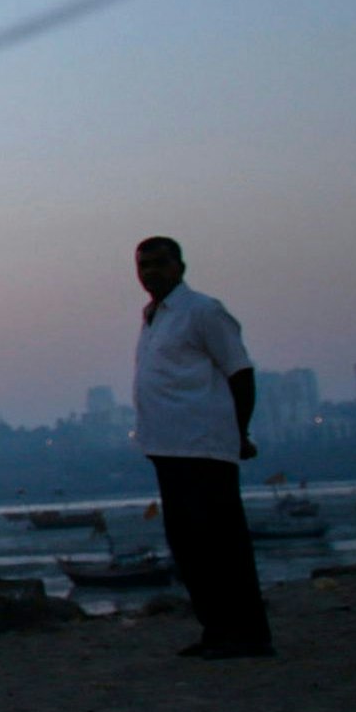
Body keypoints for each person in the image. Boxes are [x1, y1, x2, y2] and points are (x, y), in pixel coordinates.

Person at [132, 236, 273, 658]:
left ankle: (248, 634)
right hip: (167, 447)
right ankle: (217, 630)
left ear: (180, 266)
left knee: (222, 542)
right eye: (143, 265)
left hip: (206, 447)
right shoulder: (153, 316)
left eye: (159, 263)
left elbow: (240, 372)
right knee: (189, 544)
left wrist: (239, 432)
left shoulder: (203, 311)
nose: (150, 272)